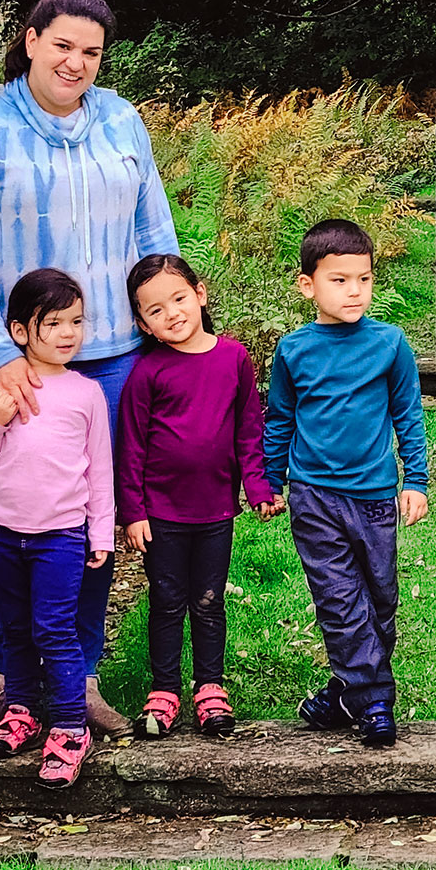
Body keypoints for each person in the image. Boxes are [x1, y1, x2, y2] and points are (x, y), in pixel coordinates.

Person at [0, 0, 178, 745]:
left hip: (111, 362)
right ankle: (5, 686)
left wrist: (169, 329)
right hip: (12, 363)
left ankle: (80, 681)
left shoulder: (122, 120)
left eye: (92, 52)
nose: (76, 62)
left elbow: (152, 227)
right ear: (31, 39)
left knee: (87, 522)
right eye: (63, 44)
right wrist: (2, 356)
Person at [261, 218, 428, 751]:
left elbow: (409, 414)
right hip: (314, 496)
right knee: (339, 600)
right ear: (308, 284)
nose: (354, 290)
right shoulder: (293, 350)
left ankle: (342, 694)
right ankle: (376, 701)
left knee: (379, 602)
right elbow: (280, 419)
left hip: (376, 496)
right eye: (339, 280)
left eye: (364, 278)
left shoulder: (389, 344)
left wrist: (416, 480)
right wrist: (268, 480)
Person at [0, 268, 115, 788]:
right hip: (3, 533)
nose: (69, 333)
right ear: (19, 331)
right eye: (54, 323)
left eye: (76, 321)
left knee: (54, 630)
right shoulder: (2, 388)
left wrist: (101, 533)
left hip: (60, 536)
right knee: (15, 628)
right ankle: (20, 709)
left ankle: (69, 728)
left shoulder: (86, 393)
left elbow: (100, 470)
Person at [116, 253, 278, 738]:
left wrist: (258, 485)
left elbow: (249, 430)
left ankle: (210, 689)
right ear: (143, 324)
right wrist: (133, 512)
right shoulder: (148, 373)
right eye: (156, 310)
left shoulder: (233, 359)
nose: (173, 314)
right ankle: (164, 692)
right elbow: (130, 448)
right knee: (166, 600)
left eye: (179, 298)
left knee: (208, 601)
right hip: (161, 514)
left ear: (200, 294)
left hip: (214, 510)